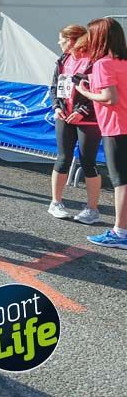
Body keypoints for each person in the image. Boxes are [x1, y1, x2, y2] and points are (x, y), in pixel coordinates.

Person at [75, 18, 127, 248]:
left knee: (121, 181)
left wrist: (85, 93)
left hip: (116, 126)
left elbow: (110, 97)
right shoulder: (121, 61)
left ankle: (120, 232)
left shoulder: (103, 63)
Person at [47, 25, 101, 224]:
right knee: (63, 158)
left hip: (89, 119)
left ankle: (92, 209)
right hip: (64, 116)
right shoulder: (63, 59)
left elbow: (100, 91)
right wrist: (57, 107)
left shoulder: (95, 61)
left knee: (88, 162)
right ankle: (56, 202)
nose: (59, 44)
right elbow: (55, 86)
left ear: (71, 40)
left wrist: (82, 111)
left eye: (61, 40)